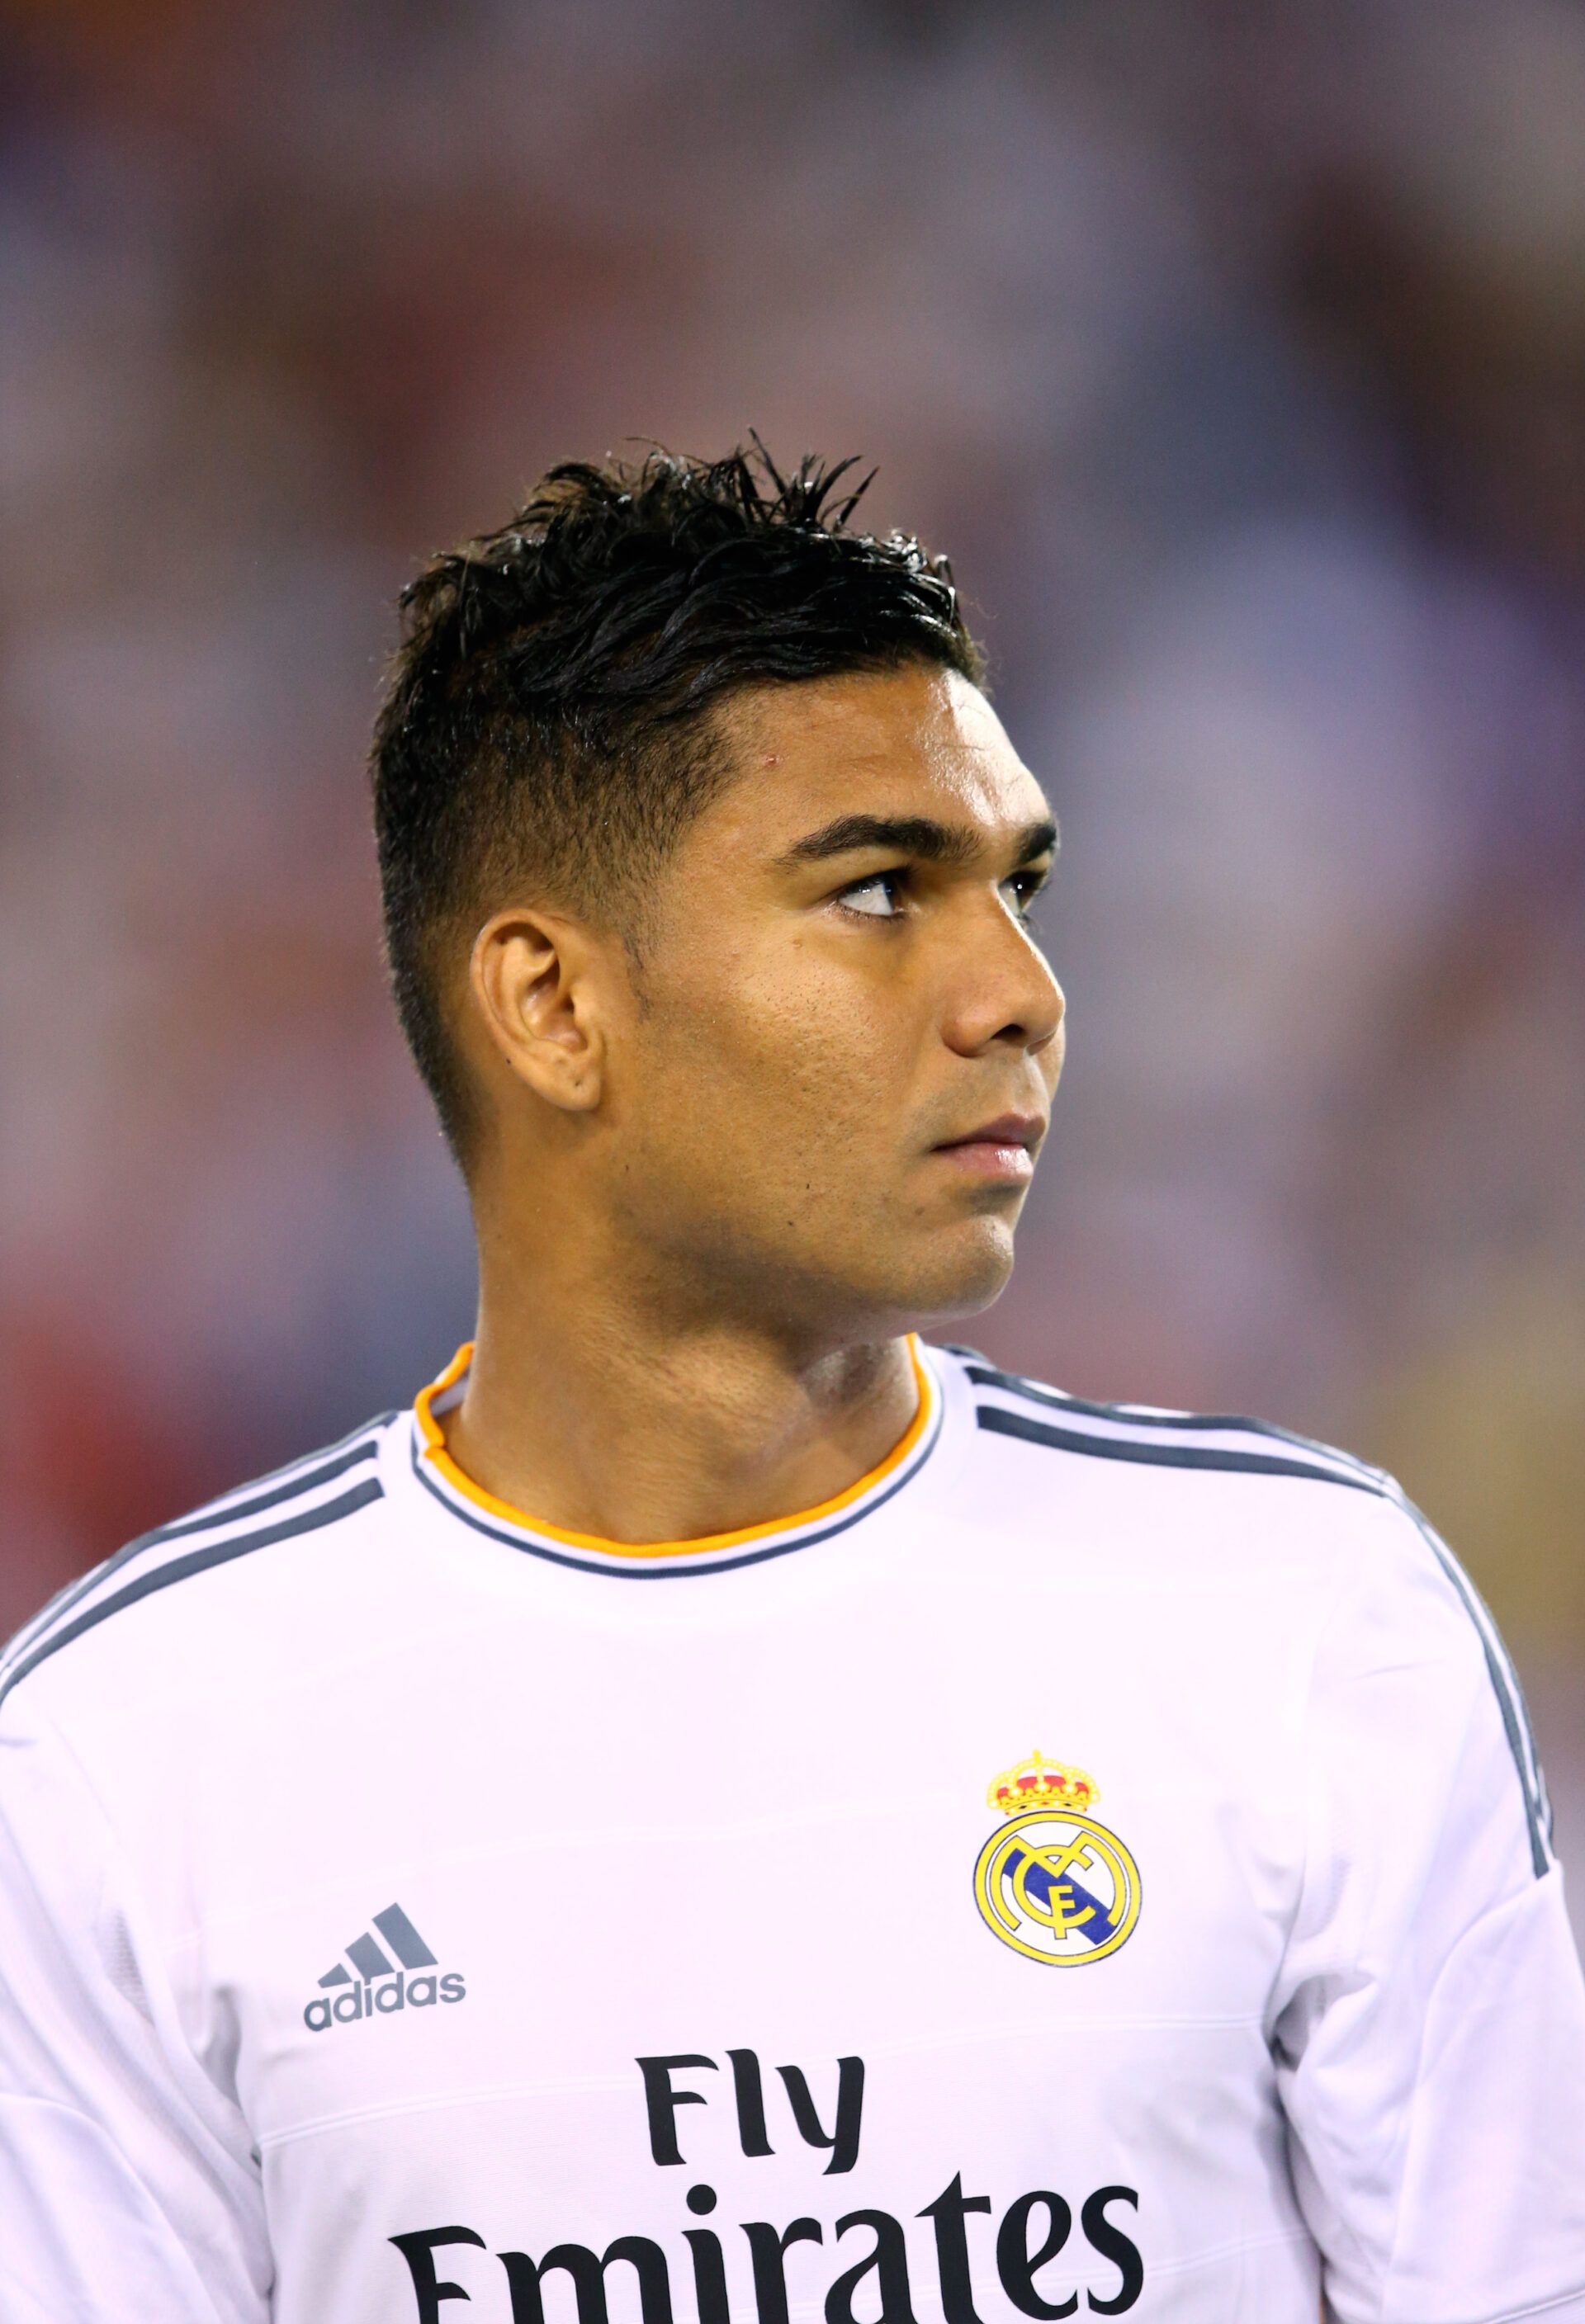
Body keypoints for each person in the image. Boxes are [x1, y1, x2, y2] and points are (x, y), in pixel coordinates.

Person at [1, 447, 1582, 2324]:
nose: (1019, 992)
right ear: (553, 1006)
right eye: (881, 889)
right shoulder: (129, 1761)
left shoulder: (1303, 1617)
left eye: (1018, 885)